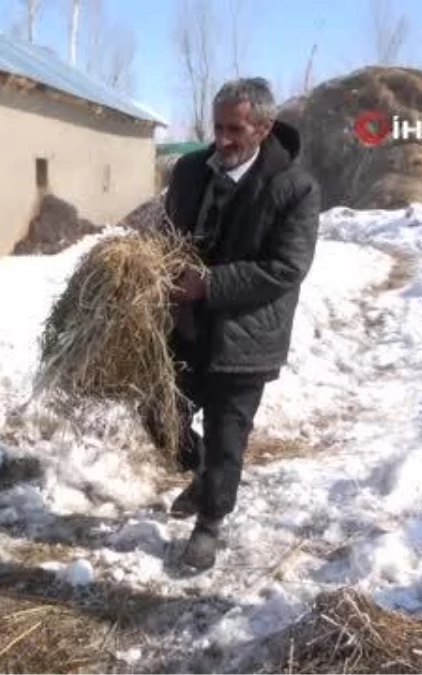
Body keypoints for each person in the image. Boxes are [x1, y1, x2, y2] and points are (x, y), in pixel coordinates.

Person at [158, 78, 321, 572]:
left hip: (244, 336)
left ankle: (209, 523)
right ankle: (203, 471)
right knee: (160, 415)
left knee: (229, 435)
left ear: (264, 127)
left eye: (236, 129)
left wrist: (209, 284)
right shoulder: (189, 170)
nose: (224, 140)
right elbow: (167, 233)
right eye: (219, 127)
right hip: (183, 324)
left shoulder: (294, 188)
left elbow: (286, 268)